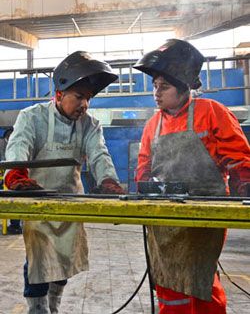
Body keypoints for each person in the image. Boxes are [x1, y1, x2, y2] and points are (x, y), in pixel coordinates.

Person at [133, 39, 250, 314]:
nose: (156, 93)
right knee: (169, 281)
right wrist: (145, 183)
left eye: (164, 87)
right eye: (154, 86)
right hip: (165, 218)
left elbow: (239, 158)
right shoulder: (153, 124)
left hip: (205, 212)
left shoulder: (212, 112)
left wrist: (243, 180)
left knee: (201, 277)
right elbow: (144, 166)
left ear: (184, 87)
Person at [4, 51, 124, 314]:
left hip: (70, 202)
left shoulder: (89, 124)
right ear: (59, 95)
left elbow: (99, 153)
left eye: (88, 98)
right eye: (79, 97)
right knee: (37, 261)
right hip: (37, 202)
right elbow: (19, 145)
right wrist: (16, 174)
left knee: (64, 261)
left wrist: (108, 180)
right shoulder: (31, 117)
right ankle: (37, 308)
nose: (85, 105)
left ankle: (53, 304)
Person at [0, 127, 22, 234]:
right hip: (5, 175)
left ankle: (15, 225)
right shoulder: (3, 145)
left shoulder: (20, 144)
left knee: (15, 200)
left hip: (13, 176)